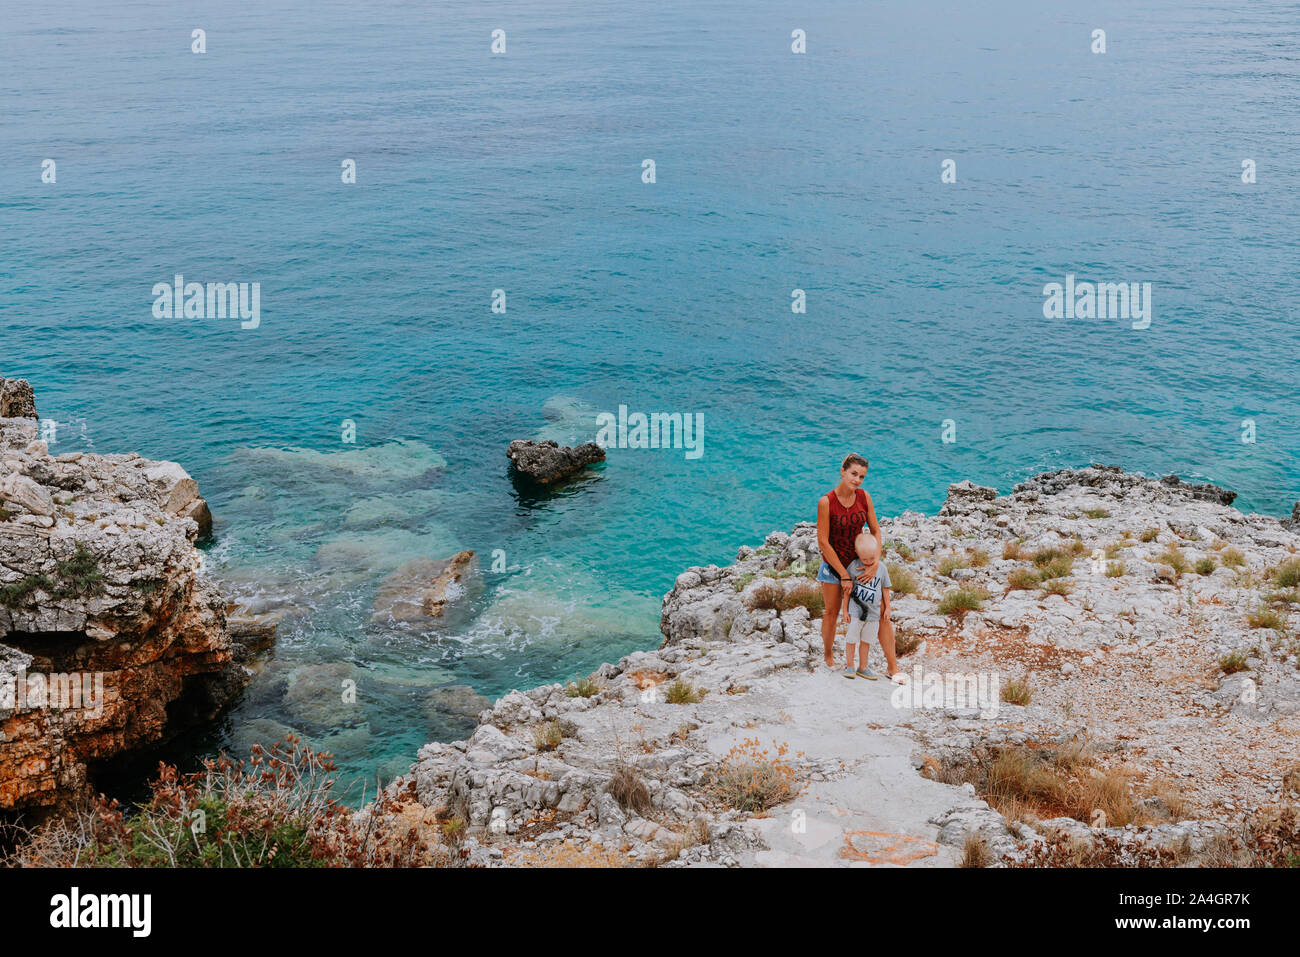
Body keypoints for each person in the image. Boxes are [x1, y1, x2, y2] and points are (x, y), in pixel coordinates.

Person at [815, 453, 905, 679]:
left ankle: (893, 667)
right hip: (833, 567)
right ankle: (828, 656)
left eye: (862, 476)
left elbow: (875, 530)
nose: (857, 480)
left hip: (860, 565)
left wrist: (875, 561)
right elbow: (823, 542)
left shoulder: (864, 497)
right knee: (832, 612)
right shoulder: (826, 502)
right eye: (854, 474)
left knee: (881, 612)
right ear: (842, 471)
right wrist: (844, 575)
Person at [839, 533, 890, 679]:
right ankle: (850, 666)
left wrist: (887, 608)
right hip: (856, 611)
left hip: (873, 614)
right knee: (851, 639)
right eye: (864, 559)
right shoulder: (853, 567)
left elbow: (885, 589)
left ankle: (863, 667)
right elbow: (847, 591)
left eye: (872, 559)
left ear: (877, 552)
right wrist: (845, 611)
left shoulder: (881, 568)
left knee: (866, 641)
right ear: (857, 554)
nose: (868, 562)